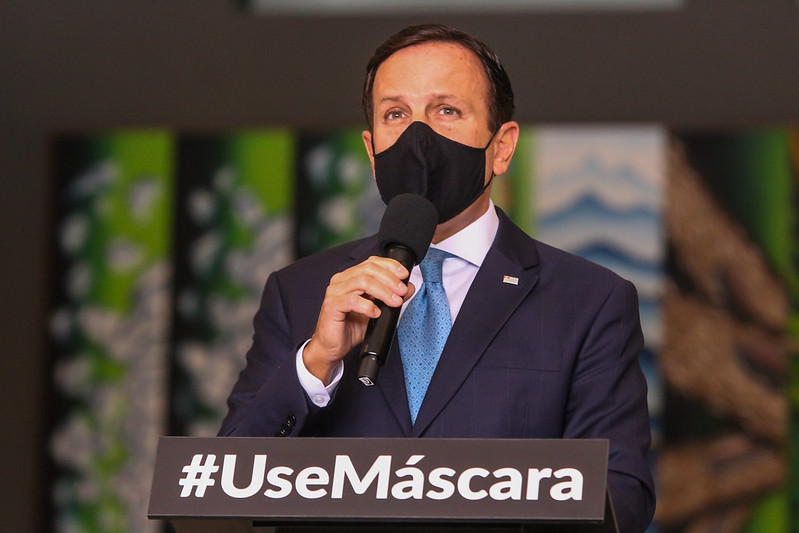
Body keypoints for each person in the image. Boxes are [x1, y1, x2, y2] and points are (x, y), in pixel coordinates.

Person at [219, 23, 655, 532]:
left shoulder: (590, 300)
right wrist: (316, 363)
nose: (418, 138)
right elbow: (223, 485)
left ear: (502, 146)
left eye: (446, 110)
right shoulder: (299, 292)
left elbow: (621, 495)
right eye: (396, 114)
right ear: (371, 150)